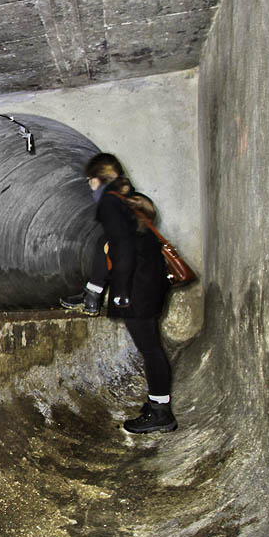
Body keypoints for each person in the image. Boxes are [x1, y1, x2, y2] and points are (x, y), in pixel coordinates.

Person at [60, 153, 176, 433]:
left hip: (138, 285)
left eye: (90, 182)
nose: (90, 188)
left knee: (150, 349)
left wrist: (121, 293)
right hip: (151, 281)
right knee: (152, 348)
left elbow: (122, 249)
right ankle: (158, 404)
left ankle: (161, 413)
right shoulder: (130, 199)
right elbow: (113, 243)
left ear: (98, 179)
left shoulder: (110, 203)